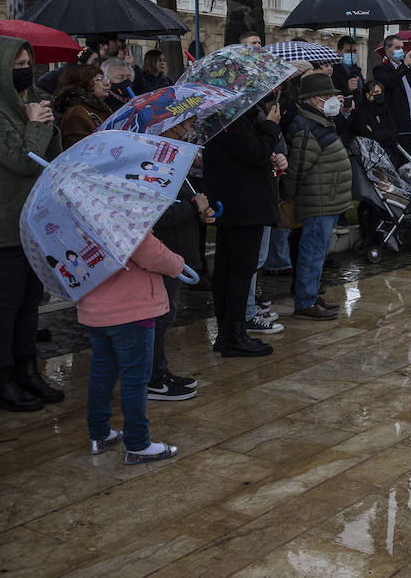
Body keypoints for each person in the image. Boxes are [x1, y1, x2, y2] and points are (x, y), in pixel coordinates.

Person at [0, 35, 64, 412]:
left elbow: (47, 158)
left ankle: (27, 372)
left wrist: (48, 122)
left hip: (33, 219)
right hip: (3, 221)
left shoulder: (24, 103)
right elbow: (21, 161)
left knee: (30, 302)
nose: (25, 72)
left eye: (26, 64)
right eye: (16, 66)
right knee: (7, 303)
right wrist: (35, 125)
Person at [75, 226, 185, 464]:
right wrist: (177, 263)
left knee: (102, 372)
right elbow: (150, 254)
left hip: (95, 310)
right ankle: (138, 444)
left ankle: (100, 434)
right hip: (132, 310)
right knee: (135, 378)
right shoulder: (118, 215)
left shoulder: (76, 218)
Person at [202, 98, 284, 357]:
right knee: (239, 271)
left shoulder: (232, 117)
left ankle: (229, 333)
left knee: (230, 270)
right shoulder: (230, 118)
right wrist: (271, 126)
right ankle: (233, 336)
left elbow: (252, 154)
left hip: (238, 204)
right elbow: (255, 153)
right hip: (243, 206)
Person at [148, 119, 214, 402]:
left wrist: (199, 210)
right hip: (164, 252)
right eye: (182, 127)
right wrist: (191, 207)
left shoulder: (175, 162)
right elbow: (159, 216)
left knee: (167, 313)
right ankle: (152, 377)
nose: (188, 132)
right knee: (160, 316)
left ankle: (158, 371)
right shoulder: (153, 166)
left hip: (177, 251)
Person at [282, 74, 354, 321]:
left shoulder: (320, 121)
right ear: (314, 100)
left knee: (318, 252)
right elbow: (297, 168)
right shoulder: (306, 126)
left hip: (327, 197)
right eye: (329, 96)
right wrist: (288, 198)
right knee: (312, 252)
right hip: (317, 200)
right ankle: (305, 301)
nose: (334, 100)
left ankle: (310, 295)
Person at [371, 34, 411, 153]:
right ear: (387, 50)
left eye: (402, 48)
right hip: (399, 125)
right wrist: (404, 66)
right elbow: (388, 83)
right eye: (397, 48)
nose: (401, 51)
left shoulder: (407, 69)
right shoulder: (380, 69)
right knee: (401, 160)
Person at [53, 63, 113, 148]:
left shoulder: (100, 106)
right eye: (99, 79)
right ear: (84, 84)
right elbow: (80, 150)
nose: (106, 83)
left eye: (104, 78)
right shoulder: (77, 114)